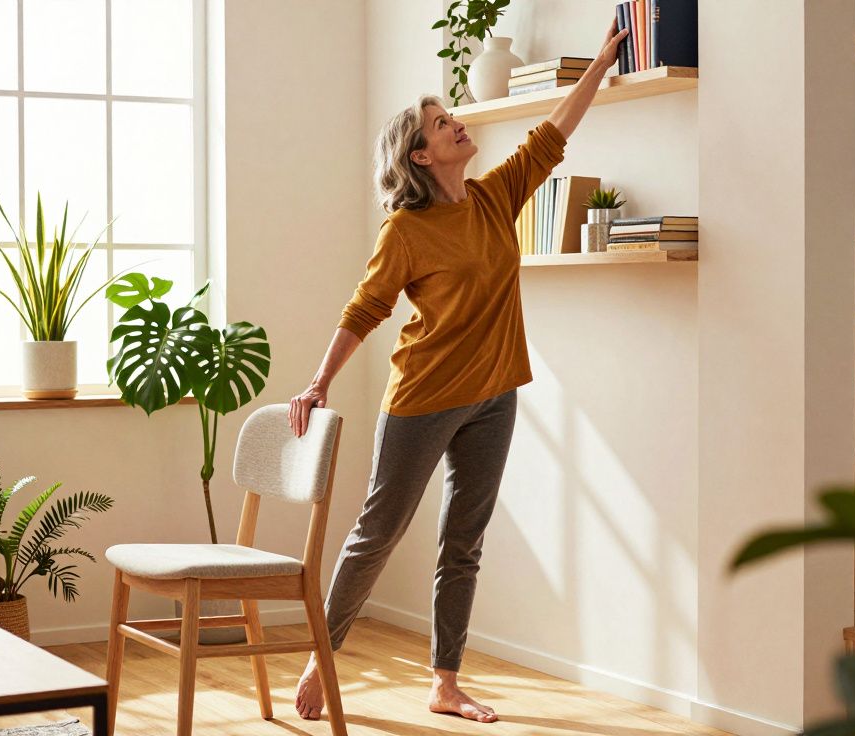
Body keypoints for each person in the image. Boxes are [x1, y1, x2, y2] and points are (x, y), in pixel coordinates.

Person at [288, 19, 630, 724]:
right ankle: (323, 659)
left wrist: (599, 63)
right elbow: (367, 306)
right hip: (423, 398)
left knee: (463, 543)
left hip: (494, 396)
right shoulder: (406, 231)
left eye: (452, 116)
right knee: (378, 533)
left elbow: (552, 133)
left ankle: (445, 682)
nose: (458, 124)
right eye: (444, 123)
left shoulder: (495, 197)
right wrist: (319, 381)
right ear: (421, 153)